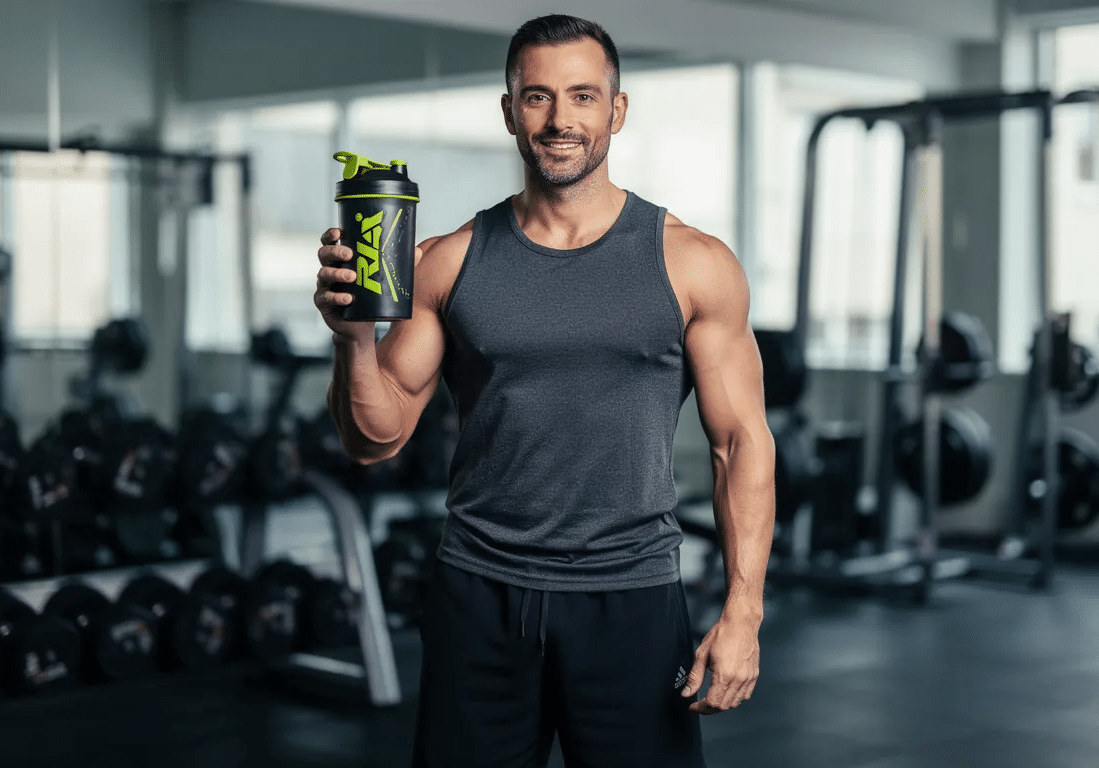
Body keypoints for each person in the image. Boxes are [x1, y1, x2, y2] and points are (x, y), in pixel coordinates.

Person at [314, 14, 775, 768]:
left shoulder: (692, 263)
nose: (560, 120)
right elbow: (376, 438)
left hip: (630, 600)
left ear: (616, 111)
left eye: (583, 97)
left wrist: (744, 612)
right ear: (508, 112)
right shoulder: (447, 261)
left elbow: (740, 443)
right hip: (479, 597)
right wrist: (353, 338)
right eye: (536, 98)